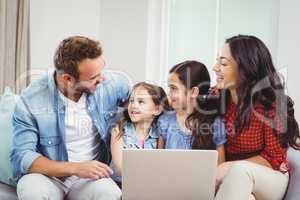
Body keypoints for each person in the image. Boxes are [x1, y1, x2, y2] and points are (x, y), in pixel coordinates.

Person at [10, 36, 130, 200]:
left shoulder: (111, 84)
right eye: (93, 77)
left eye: (101, 71)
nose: (102, 79)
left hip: (90, 179)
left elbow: (150, 102)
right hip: (49, 177)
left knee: (110, 193)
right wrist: (75, 168)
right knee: (32, 190)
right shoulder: (31, 101)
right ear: (67, 78)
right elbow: (22, 156)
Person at [214, 35, 300, 200]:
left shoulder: (271, 106)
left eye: (223, 63)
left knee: (240, 171)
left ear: (245, 69)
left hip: (271, 176)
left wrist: (229, 166)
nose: (215, 67)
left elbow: (273, 158)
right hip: (233, 179)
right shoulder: (217, 97)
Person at [158, 60, 227, 164]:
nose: (169, 93)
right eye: (169, 88)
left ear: (194, 92)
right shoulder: (165, 120)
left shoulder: (215, 124)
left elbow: (220, 168)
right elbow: (159, 162)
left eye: (174, 88)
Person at [110, 82, 170, 186]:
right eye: (131, 101)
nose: (133, 105)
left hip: (147, 184)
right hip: (119, 184)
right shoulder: (119, 131)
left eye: (141, 101)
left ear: (157, 110)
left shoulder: (159, 135)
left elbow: (159, 165)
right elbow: (119, 168)